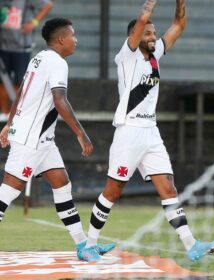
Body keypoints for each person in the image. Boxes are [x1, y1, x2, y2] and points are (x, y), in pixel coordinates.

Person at [77, 0, 214, 262]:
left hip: (150, 132)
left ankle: (192, 245)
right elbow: (142, 19)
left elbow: (179, 24)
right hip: (129, 132)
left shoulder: (155, 55)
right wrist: (149, 6)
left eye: (154, 33)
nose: (153, 36)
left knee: (169, 188)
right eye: (148, 33)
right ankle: (88, 245)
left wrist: (180, 3)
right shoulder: (127, 54)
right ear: (134, 36)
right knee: (113, 190)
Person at [0, 17, 115, 261]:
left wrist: (9, 123)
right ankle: (83, 245)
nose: (76, 40)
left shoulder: (38, 58)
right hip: (30, 138)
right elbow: (60, 100)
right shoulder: (57, 63)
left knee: (62, 185)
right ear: (61, 39)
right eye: (73, 35)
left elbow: (21, 93)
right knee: (8, 192)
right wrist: (81, 134)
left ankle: (83, 246)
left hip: (43, 139)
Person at [0, 0, 53, 119]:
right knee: (2, 81)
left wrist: (34, 22)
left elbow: (48, 5)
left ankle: (15, 114)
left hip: (21, 47)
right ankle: (3, 112)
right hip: (2, 47)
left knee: (21, 82)